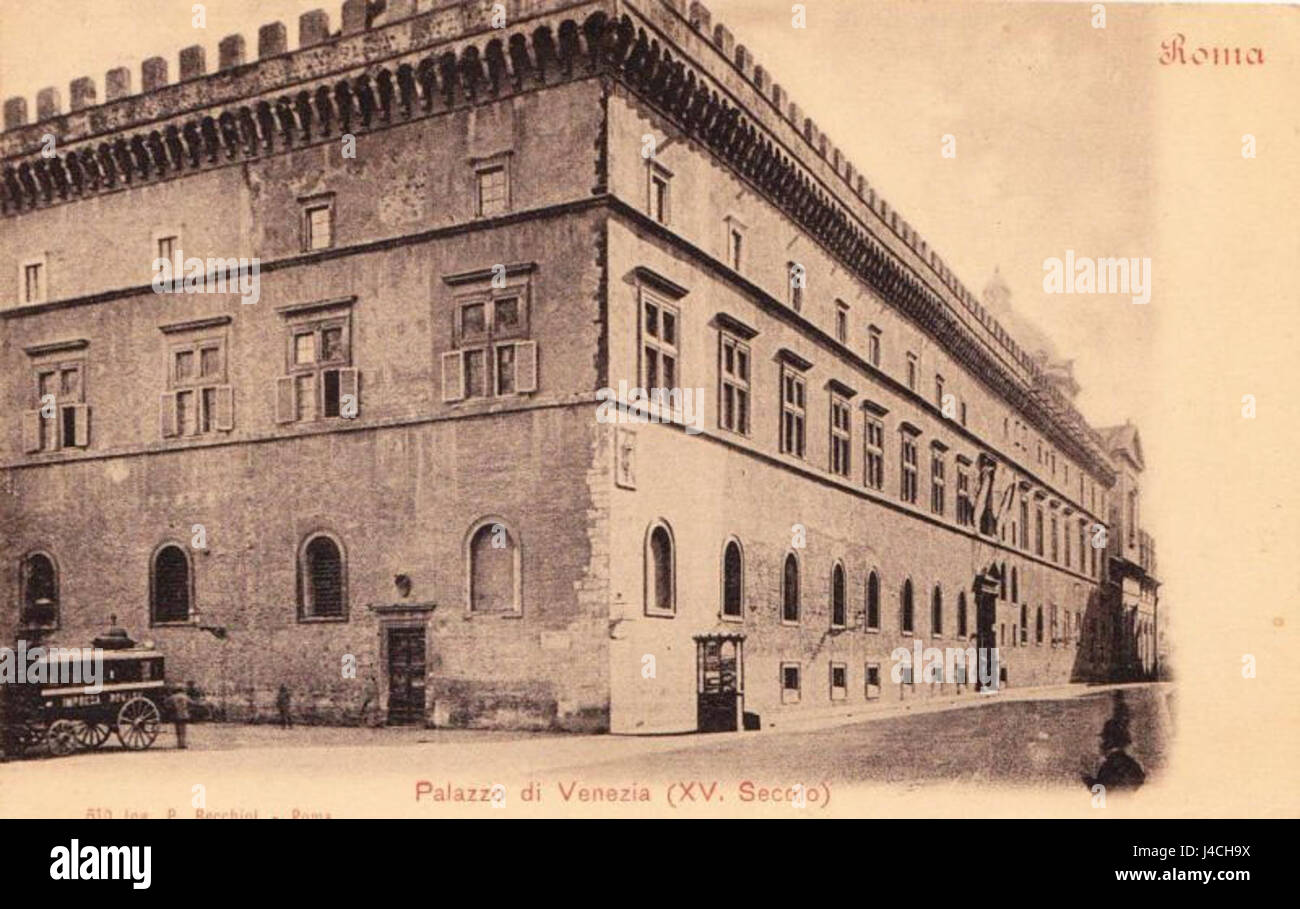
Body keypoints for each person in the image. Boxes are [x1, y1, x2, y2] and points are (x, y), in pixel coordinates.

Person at [165, 685, 191, 750]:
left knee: (178, 730)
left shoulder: (172, 697)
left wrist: (171, 709)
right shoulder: (185, 697)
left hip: (176, 715)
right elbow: (192, 703)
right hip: (184, 715)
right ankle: (183, 744)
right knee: (183, 730)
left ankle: (179, 743)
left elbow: (166, 703)